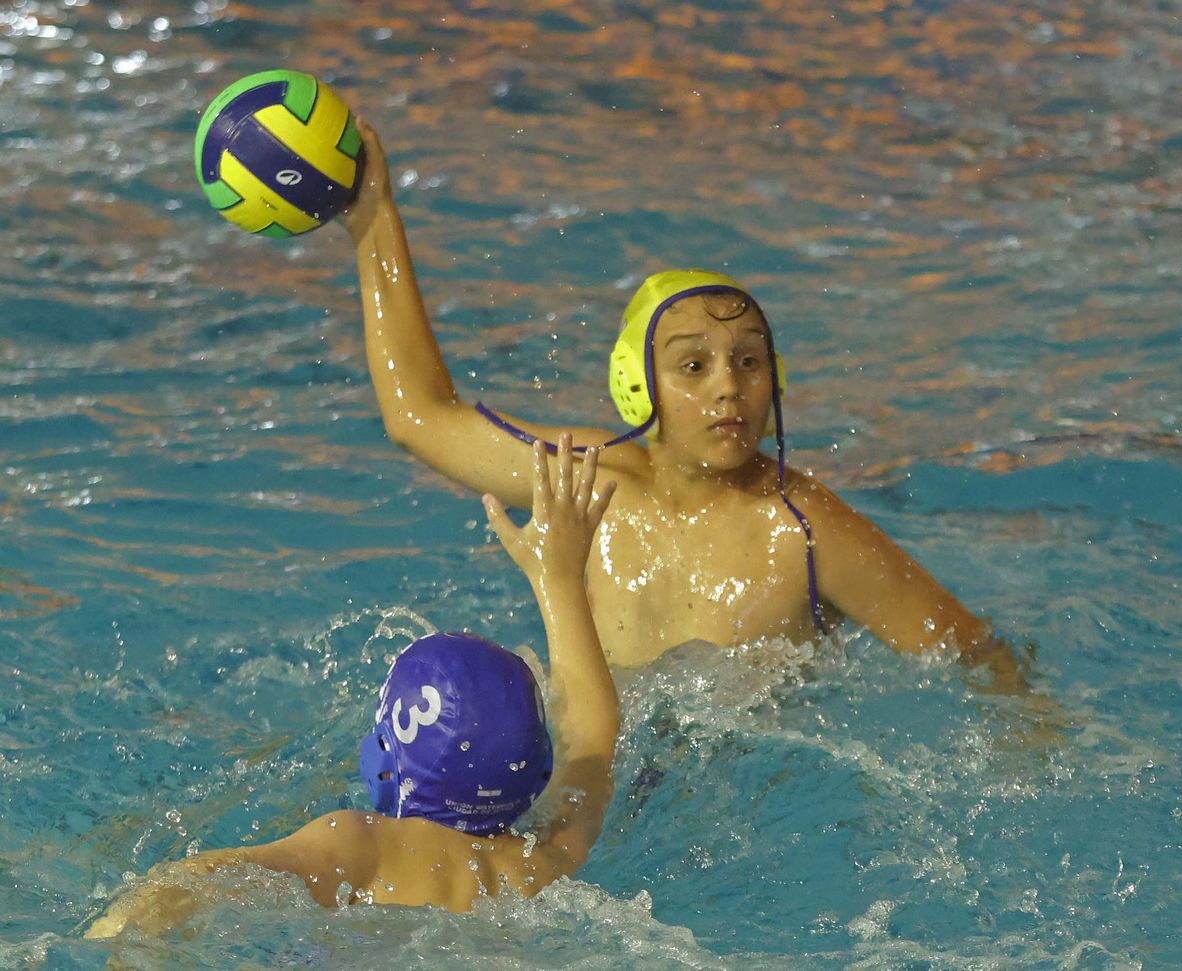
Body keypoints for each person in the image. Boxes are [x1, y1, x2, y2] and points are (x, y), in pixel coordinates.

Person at [340, 118, 1027, 688]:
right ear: (638, 385)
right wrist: (373, 219)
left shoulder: (805, 531)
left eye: (750, 361)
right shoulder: (593, 481)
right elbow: (419, 417)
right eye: (694, 365)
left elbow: (975, 653)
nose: (730, 385)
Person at [86, 439, 620, 937]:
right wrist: (561, 578)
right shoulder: (542, 862)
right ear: (537, 767)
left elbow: (196, 883)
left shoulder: (362, 844)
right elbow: (594, 737)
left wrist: (120, 932)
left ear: (388, 764)